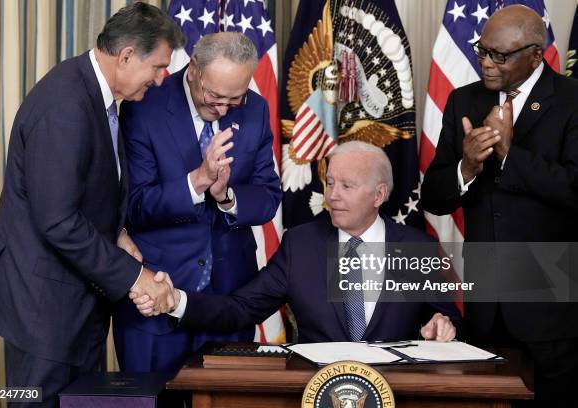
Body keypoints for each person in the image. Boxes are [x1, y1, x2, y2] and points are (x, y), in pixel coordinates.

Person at [0, 3, 184, 406]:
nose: (162, 79)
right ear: (125, 56)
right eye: (157, 66)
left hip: (73, 306)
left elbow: (85, 191)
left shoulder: (96, 94)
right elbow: (58, 220)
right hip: (43, 311)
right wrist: (134, 277)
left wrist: (118, 233)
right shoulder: (65, 105)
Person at [135, 141, 460, 343]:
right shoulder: (301, 245)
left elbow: (446, 319)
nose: (333, 196)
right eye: (330, 182)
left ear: (379, 195)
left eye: (347, 186)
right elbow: (241, 308)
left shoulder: (417, 249)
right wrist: (176, 300)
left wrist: (441, 325)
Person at [421, 5, 578, 405]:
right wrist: (467, 166)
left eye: (500, 56)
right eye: (482, 51)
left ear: (535, 54)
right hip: (485, 309)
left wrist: (510, 155)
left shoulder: (571, 100)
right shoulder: (463, 102)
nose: (487, 64)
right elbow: (434, 198)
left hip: (553, 310)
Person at [113, 32, 282, 375]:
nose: (222, 108)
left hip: (228, 299)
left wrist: (226, 196)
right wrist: (197, 182)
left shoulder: (255, 109)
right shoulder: (144, 104)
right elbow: (135, 206)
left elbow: (268, 197)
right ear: (194, 69)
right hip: (156, 293)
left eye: (233, 100)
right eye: (214, 95)